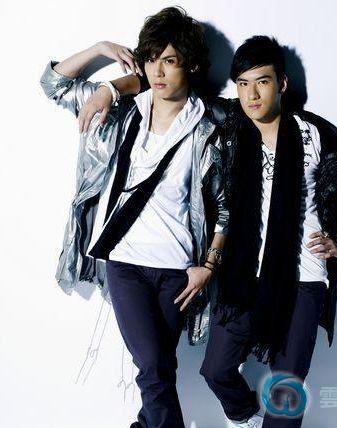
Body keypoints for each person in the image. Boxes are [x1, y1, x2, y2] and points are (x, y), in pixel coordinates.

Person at [78, 34, 337, 428]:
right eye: (243, 84)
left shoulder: (314, 132)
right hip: (242, 278)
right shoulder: (229, 123)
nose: (252, 95)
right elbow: (166, 83)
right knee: (216, 369)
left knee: (286, 384)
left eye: (262, 82)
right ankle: (245, 415)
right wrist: (110, 88)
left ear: (282, 84)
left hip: (303, 277)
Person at [40, 7, 228, 428]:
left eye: (170, 60)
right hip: (125, 263)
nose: (158, 71)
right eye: (151, 59)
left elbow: (225, 206)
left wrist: (209, 266)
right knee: (153, 369)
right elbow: (53, 84)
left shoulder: (210, 128)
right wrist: (100, 52)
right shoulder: (121, 112)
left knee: (159, 369)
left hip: (178, 271)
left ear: (192, 66)